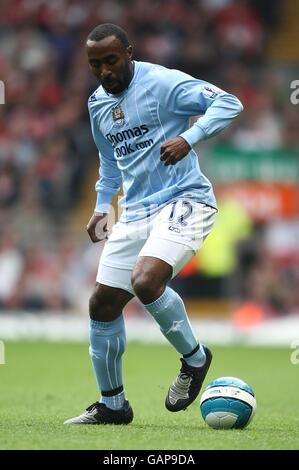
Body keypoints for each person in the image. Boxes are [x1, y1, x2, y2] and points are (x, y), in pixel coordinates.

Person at [64, 23, 243, 425]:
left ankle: (195, 359)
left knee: (146, 281)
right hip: (135, 210)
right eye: (96, 65)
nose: (105, 71)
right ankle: (112, 405)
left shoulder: (163, 83)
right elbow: (109, 162)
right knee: (102, 304)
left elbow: (229, 103)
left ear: (129, 53)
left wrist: (190, 138)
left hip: (186, 200)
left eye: (111, 60)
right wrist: (100, 206)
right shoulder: (97, 104)